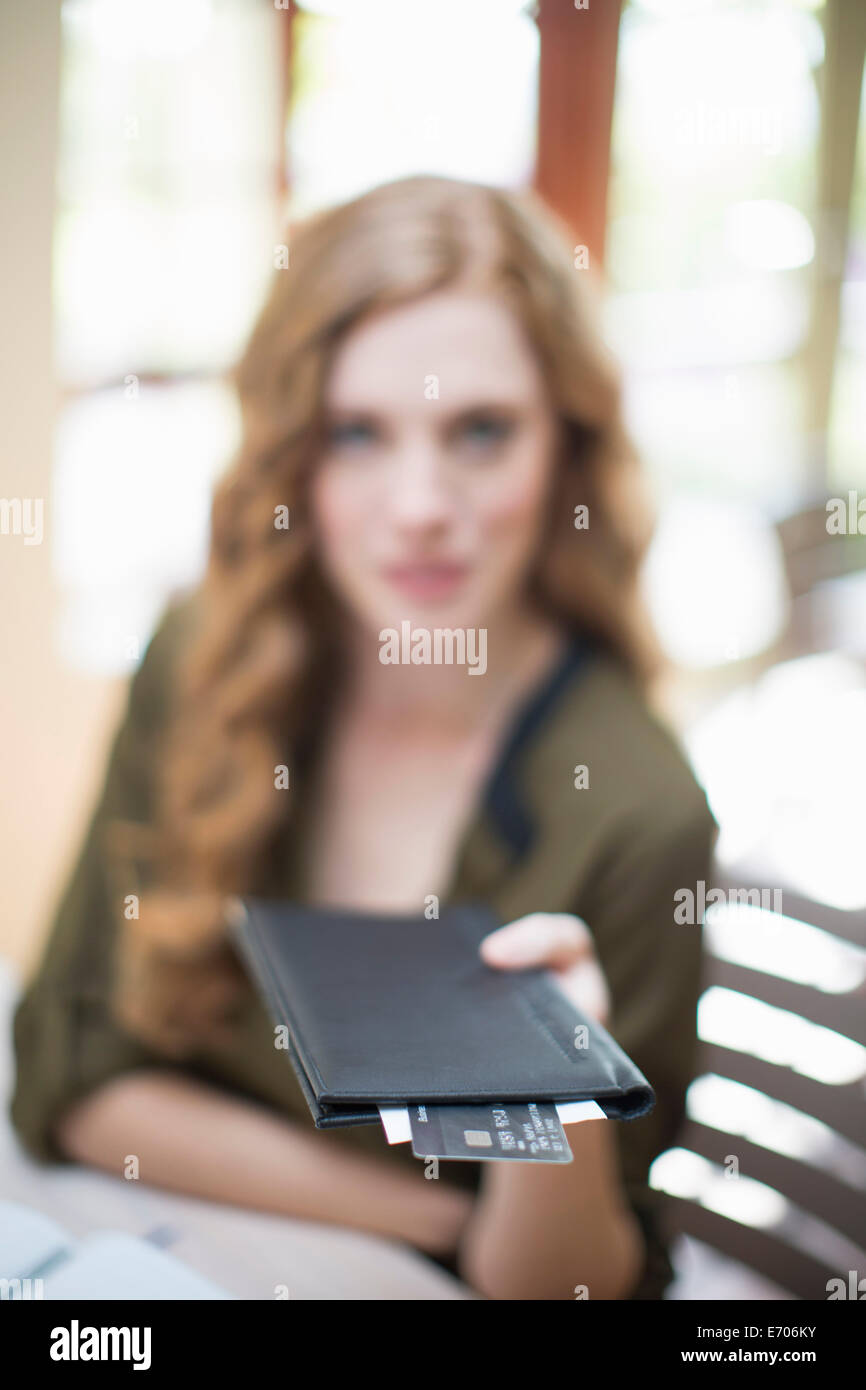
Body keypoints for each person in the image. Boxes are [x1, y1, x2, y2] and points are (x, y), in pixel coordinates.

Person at [10, 174, 717, 1300]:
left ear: (564, 451)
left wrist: (558, 1129)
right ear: (292, 454)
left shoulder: (634, 810)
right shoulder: (202, 665)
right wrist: (445, 1215)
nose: (421, 503)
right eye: (356, 433)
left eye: (480, 430)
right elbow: (70, 1076)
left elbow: (570, 1287)